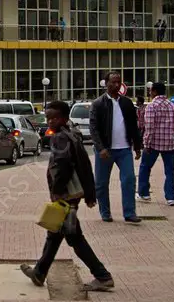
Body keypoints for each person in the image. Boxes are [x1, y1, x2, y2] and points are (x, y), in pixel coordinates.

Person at [21, 100, 114, 292]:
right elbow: (84, 165)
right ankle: (39, 272)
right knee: (54, 233)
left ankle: (102, 276)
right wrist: (89, 193)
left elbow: (63, 166)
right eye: (48, 118)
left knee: (74, 238)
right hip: (72, 196)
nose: (50, 121)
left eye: (54, 117)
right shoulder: (72, 134)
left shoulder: (60, 138)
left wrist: (57, 191)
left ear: (64, 118)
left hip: (65, 196)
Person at [88, 72, 142, 224]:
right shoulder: (98, 104)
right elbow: (94, 128)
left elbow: (133, 126)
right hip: (105, 150)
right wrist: (101, 148)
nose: (116, 85)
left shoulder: (127, 103)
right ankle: (105, 212)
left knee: (129, 179)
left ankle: (130, 213)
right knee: (101, 183)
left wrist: (137, 146)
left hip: (124, 149)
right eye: (113, 82)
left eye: (119, 82)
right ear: (106, 83)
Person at [137, 82, 174, 206]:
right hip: (169, 143)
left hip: (153, 143)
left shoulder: (151, 106)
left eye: (150, 91)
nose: (149, 93)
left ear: (154, 91)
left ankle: (144, 193)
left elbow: (149, 127)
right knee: (170, 170)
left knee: (145, 167)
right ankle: (170, 197)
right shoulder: (172, 106)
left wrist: (146, 144)